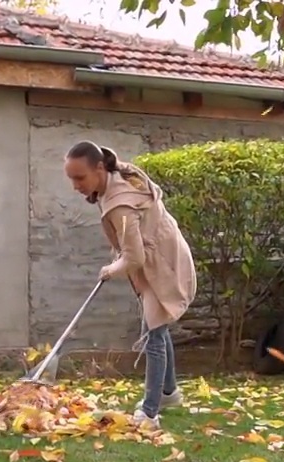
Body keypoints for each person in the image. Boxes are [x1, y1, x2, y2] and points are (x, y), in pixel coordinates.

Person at [64, 141, 197, 429]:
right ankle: (168, 393)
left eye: (80, 178)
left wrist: (111, 269)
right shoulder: (116, 176)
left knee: (154, 335)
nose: (75, 185)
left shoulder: (119, 203)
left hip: (162, 263)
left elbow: (134, 258)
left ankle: (150, 413)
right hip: (161, 256)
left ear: (99, 168)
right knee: (157, 325)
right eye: (71, 178)